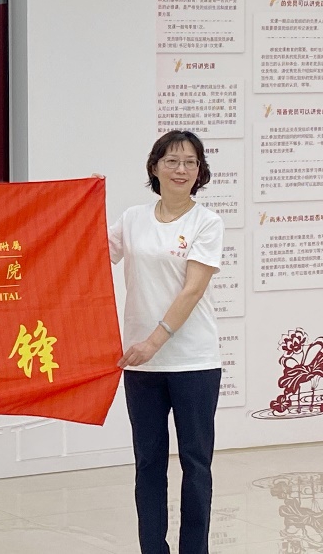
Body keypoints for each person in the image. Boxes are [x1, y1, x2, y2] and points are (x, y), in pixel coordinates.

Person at [108, 130, 224, 554]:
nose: (181, 169)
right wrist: (77, 204)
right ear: (154, 167)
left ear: (200, 171)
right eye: (172, 161)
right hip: (141, 366)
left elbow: (192, 291)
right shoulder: (133, 219)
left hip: (194, 362)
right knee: (148, 463)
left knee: (196, 463)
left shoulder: (207, 222)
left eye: (191, 162)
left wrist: (153, 341)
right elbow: (88, 254)